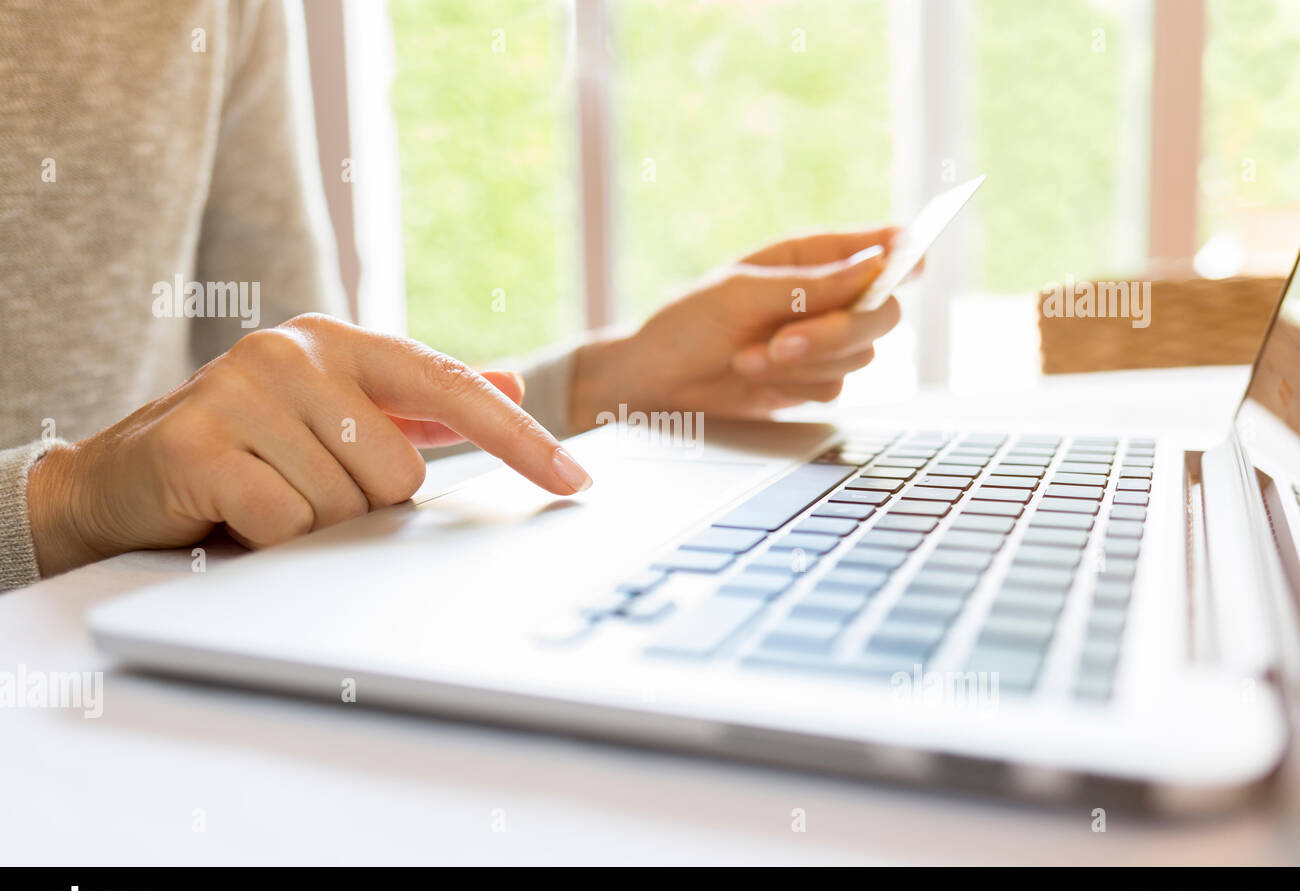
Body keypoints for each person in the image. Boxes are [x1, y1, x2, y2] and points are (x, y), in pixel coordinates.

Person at [0, 0, 901, 592]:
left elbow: (297, 407)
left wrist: (598, 389)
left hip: (161, 662)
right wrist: (68, 501)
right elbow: (139, 464)